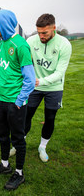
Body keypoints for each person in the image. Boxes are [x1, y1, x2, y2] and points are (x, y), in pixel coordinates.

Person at [0, 10, 35, 191]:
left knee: (18, 139)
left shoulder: (20, 45)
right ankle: (5, 165)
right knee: (2, 135)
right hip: (1, 101)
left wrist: (19, 101)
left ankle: (19, 173)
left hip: (16, 102)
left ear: (4, 24)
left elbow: (30, 79)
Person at [23, 14, 72, 162]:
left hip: (54, 87)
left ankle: (42, 147)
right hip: (35, 86)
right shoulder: (31, 41)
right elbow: (24, 62)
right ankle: (19, 143)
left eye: (45, 33)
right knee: (26, 115)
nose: (41, 36)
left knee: (50, 118)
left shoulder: (64, 44)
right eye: (39, 33)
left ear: (54, 28)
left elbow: (59, 73)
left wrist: (40, 81)